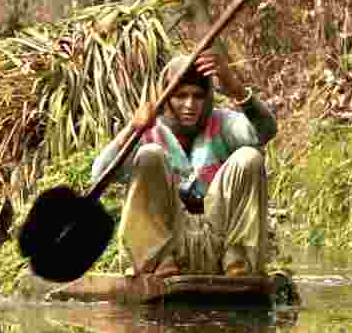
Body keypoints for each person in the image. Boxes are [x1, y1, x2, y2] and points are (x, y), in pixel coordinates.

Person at [91, 48, 277, 278]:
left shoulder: (222, 122)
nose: (190, 104)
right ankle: (158, 260)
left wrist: (235, 87)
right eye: (180, 96)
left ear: (207, 97)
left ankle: (238, 260)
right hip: (170, 247)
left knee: (250, 157)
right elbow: (99, 174)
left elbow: (265, 131)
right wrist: (132, 129)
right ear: (167, 98)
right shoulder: (149, 130)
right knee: (149, 155)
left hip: (217, 240)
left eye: (198, 96)